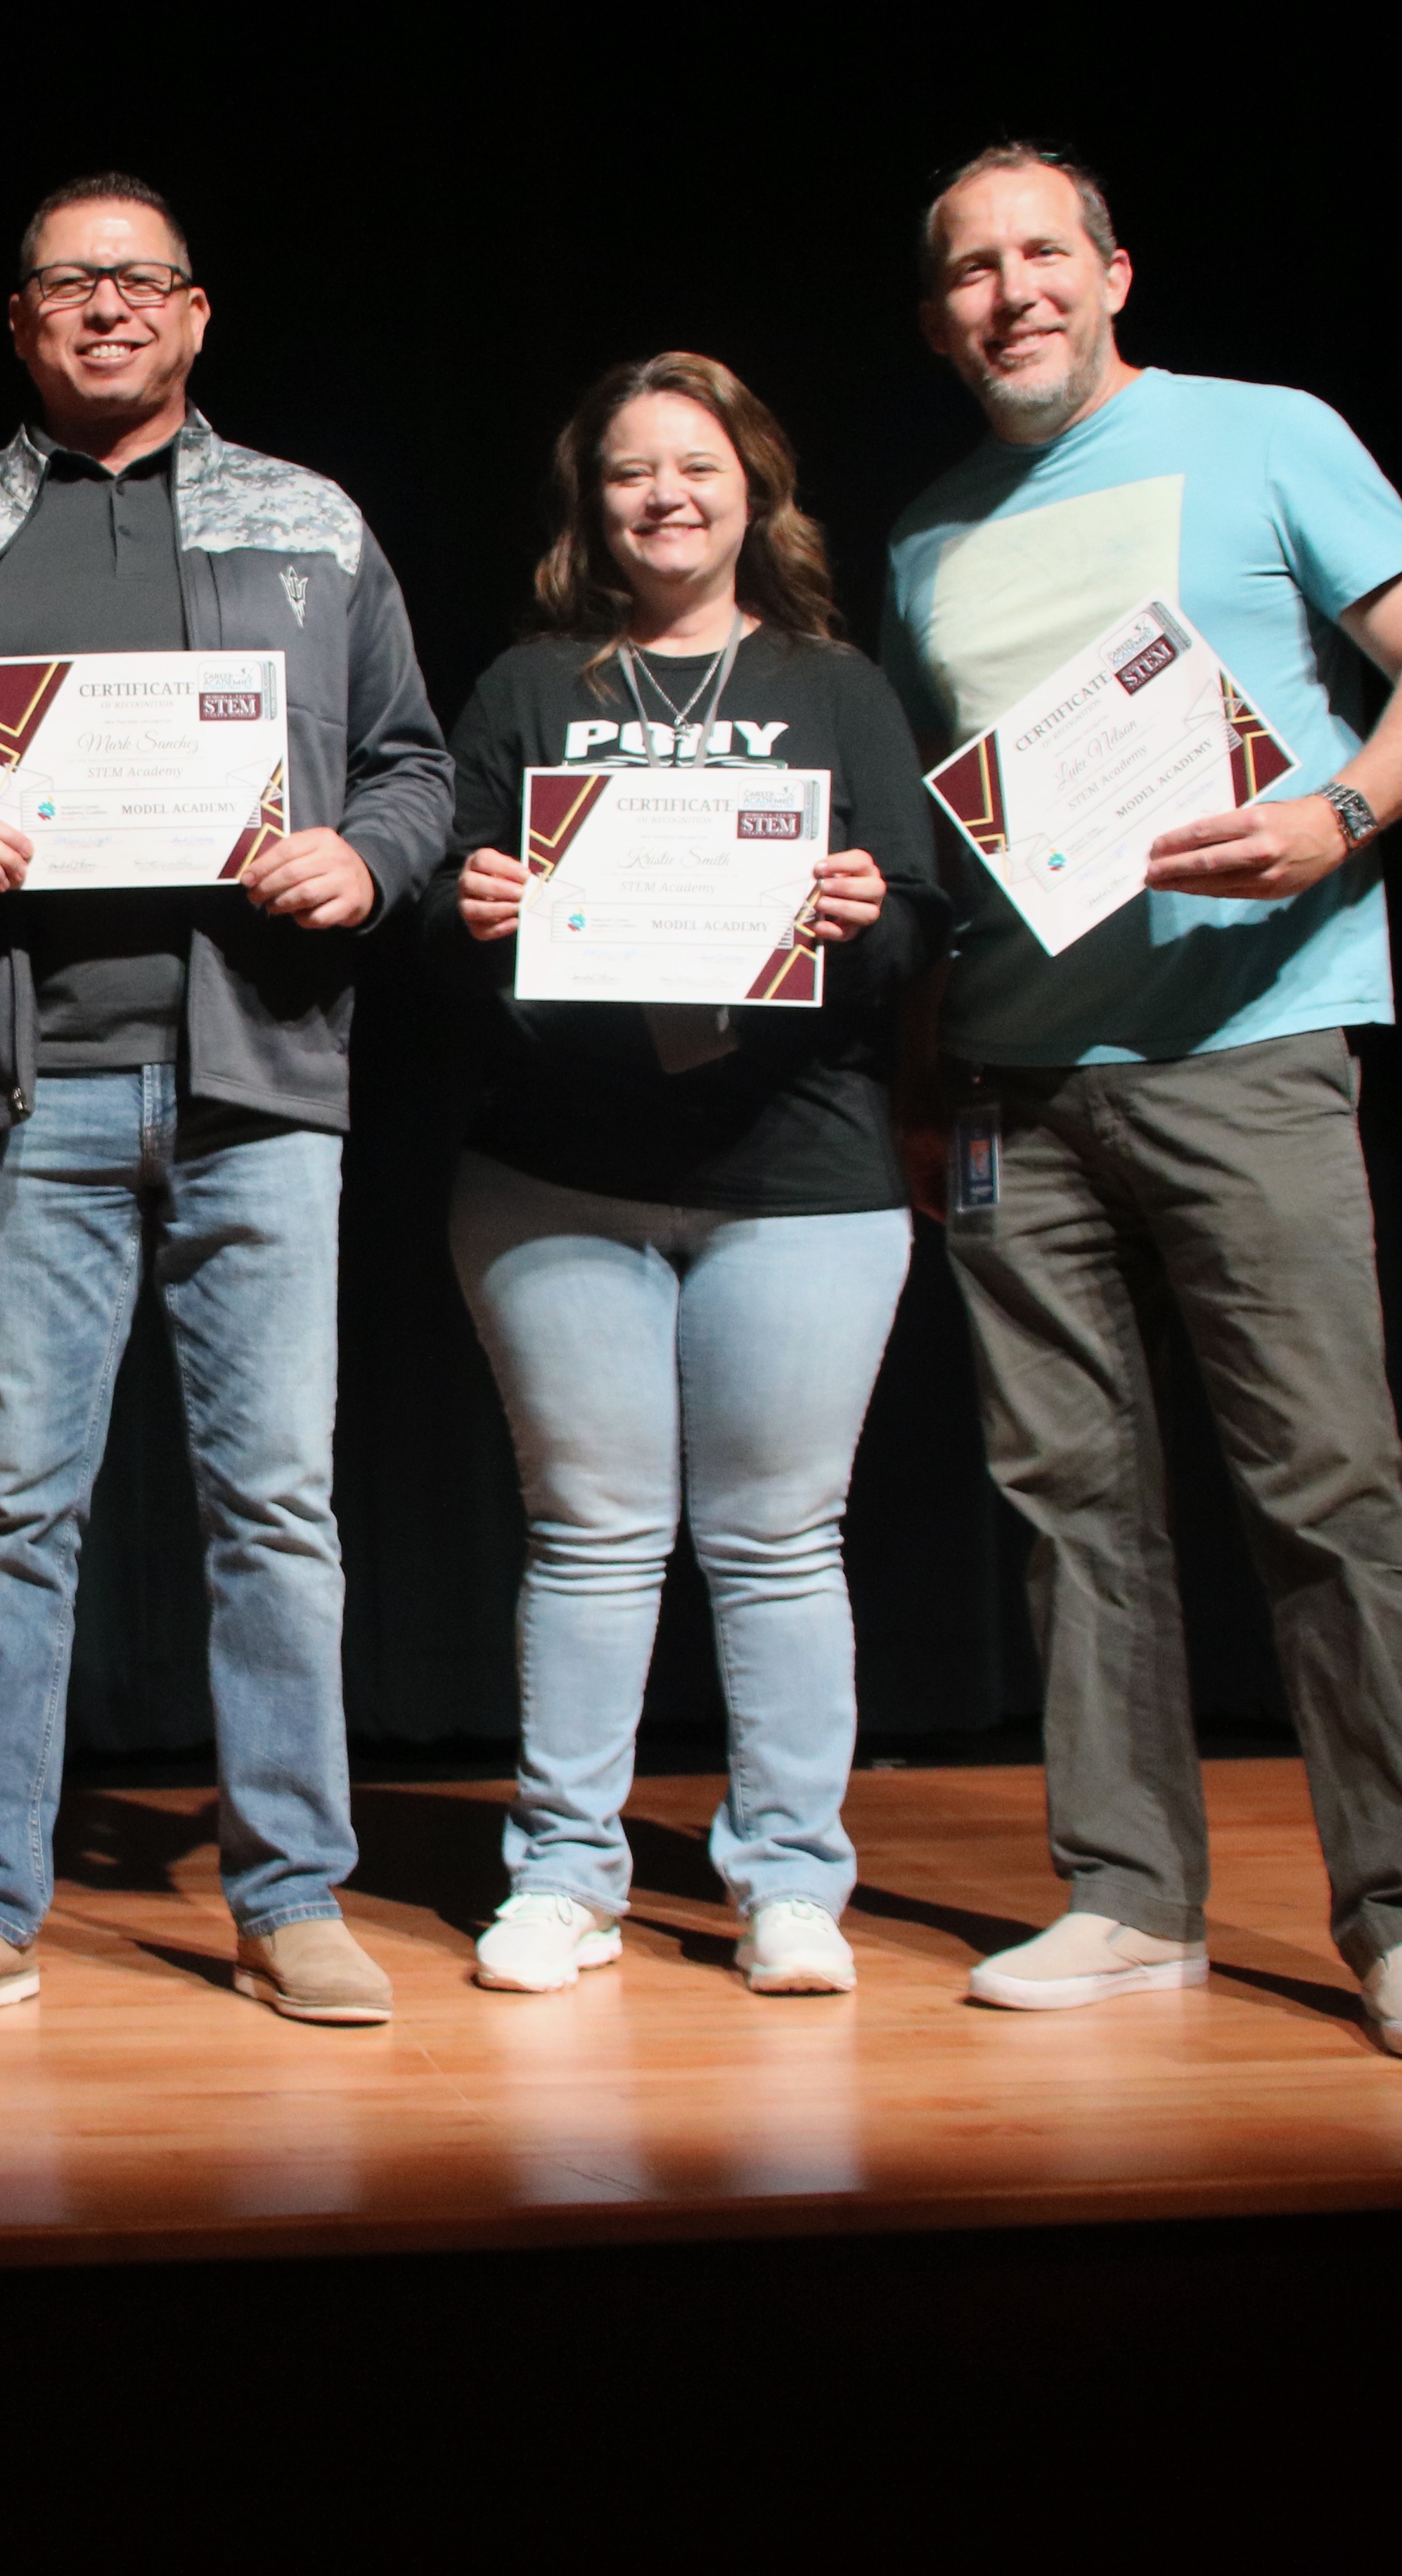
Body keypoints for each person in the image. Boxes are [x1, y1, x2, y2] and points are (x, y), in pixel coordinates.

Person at [885, 144, 1402, 2060]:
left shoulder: (1265, 436)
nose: (1014, 293)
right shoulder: (927, 539)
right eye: (973, 271)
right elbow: (963, 846)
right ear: (939, 315)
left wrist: (1338, 817)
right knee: (1071, 1500)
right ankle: (1130, 1898)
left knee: (1327, 1485)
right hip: (1016, 1078)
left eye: (1043, 255)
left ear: (1115, 273)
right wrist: (928, 1075)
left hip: (1253, 1043)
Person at [0, 174, 452, 2028]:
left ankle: (293, 1896)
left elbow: (413, 765)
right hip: (30, 1099)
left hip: (260, 1084)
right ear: (21, 325)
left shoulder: (311, 526)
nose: (106, 310)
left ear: (196, 316)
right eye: (66, 287)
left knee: (275, 1501)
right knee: (17, 1500)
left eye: (140, 283)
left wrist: (368, 859)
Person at [425, 354, 946, 1999]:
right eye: (632, 471)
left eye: (697, 467)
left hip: (800, 1172)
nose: (665, 495)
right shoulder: (524, 686)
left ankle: (790, 1876)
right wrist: (472, 906)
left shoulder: (838, 686)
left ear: (753, 491)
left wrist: (872, 911)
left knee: (781, 1539)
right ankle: (565, 1875)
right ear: (593, 504)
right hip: (556, 1170)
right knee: (589, 1535)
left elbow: (928, 924)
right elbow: (435, 921)